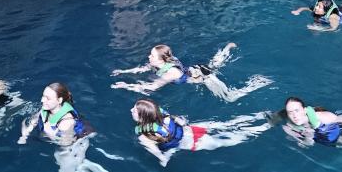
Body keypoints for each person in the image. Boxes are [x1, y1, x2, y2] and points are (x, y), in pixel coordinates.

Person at [18, 82, 110, 172]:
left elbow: (66, 144)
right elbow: (34, 119)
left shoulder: (66, 122)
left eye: (47, 98)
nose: (42, 100)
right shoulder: (47, 107)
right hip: (71, 143)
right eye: (43, 96)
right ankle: (84, 164)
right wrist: (24, 135)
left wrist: (48, 133)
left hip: (76, 144)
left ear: (59, 101)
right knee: (75, 163)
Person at [131, 98, 270, 166]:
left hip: (191, 142)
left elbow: (156, 152)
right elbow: (180, 120)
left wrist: (163, 159)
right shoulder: (161, 113)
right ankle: (258, 116)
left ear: (144, 117)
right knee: (227, 124)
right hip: (191, 129)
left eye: (135, 110)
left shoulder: (144, 136)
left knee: (225, 141)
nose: (131, 110)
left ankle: (262, 128)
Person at [111, 43, 271, 102]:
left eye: (151, 55)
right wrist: (123, 71)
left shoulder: (171, 72)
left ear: (160, 60)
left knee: (230, 97)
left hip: (203, 78)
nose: (148, 56)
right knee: (212, 66)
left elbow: (152, 88)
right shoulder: (163, 61)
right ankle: (226, 49)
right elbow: (144, 68)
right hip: (196, 69)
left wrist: (125, 85)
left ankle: (257, 83)